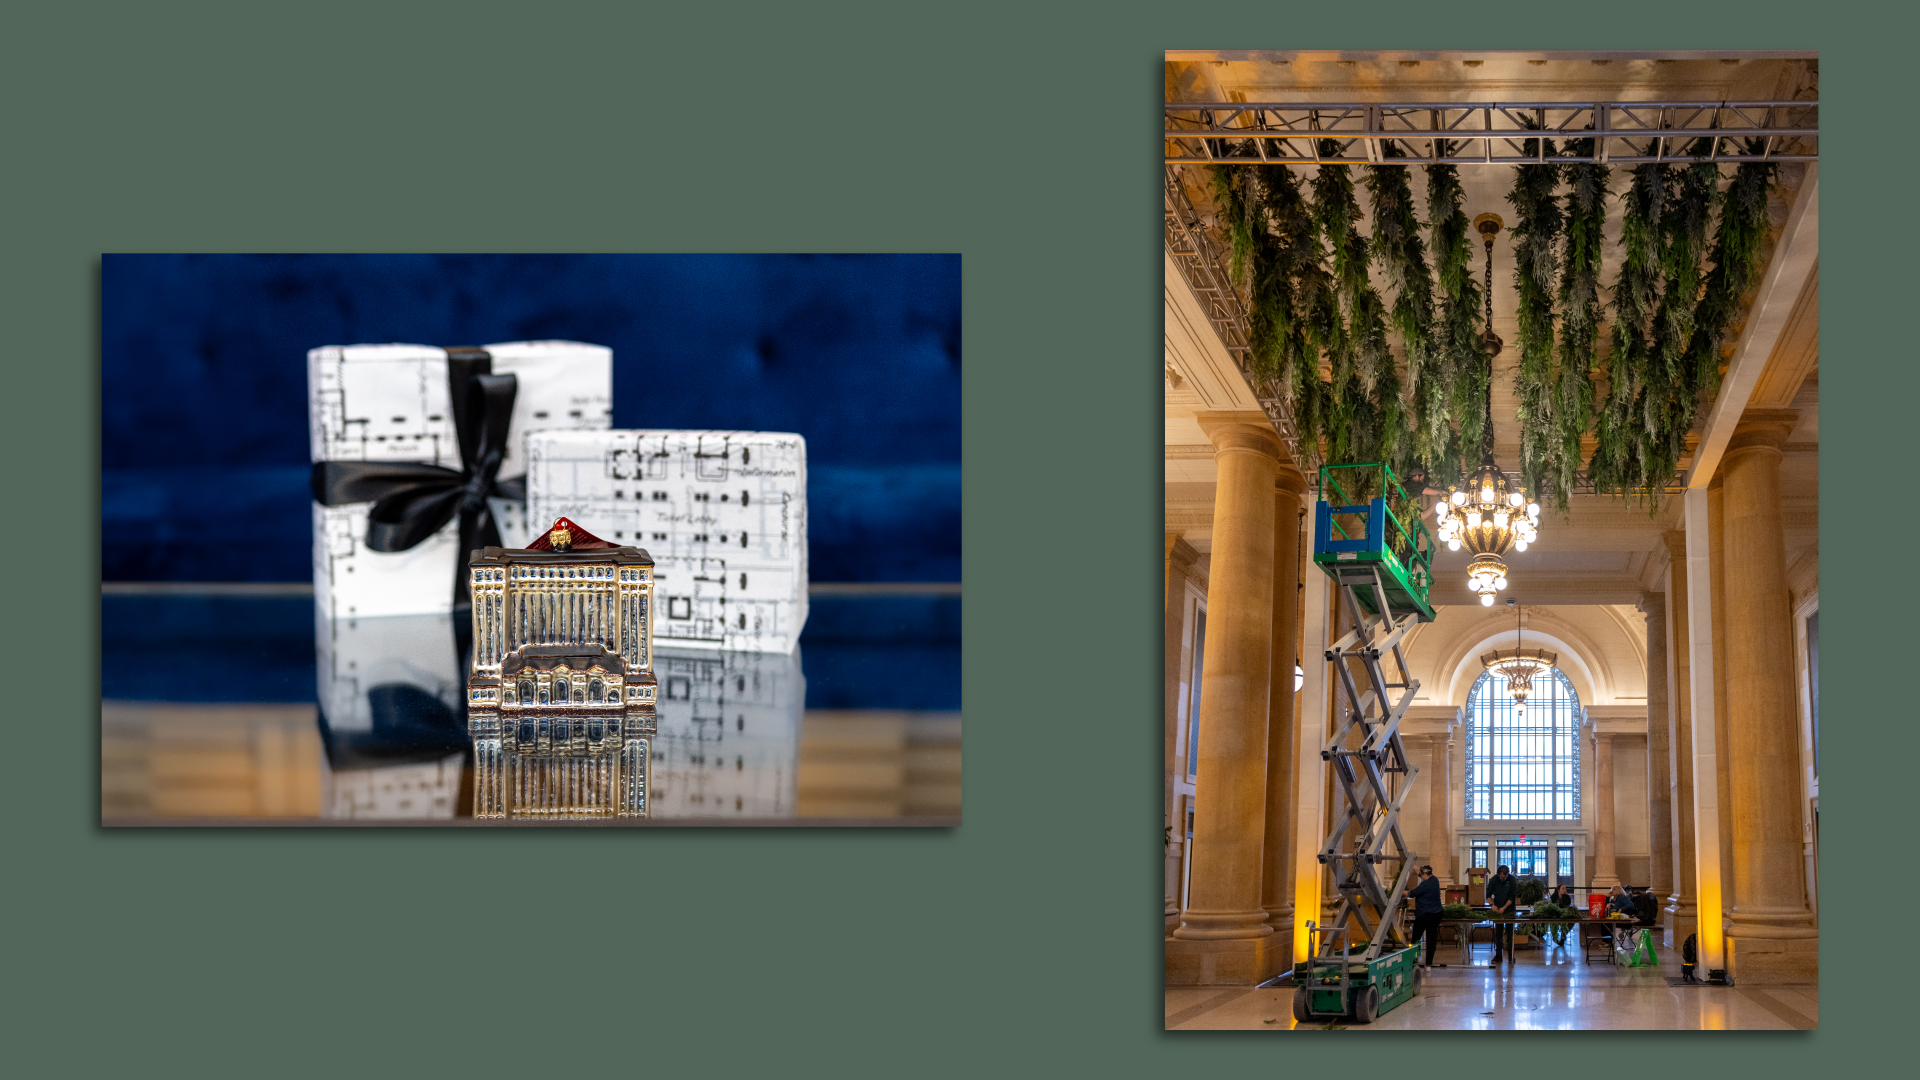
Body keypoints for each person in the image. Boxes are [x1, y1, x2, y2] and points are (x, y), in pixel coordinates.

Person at [1407, 865, 1444, 967]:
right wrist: (1415, 868)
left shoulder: (1424, 885)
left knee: (1415, 939)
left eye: (1420, 875)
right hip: (1436, 914)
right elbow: (1422, 873)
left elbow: (1412, 893)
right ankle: (1428, 964)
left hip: (1424, 915)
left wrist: (1400, 892)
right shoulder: (1435, 879)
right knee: (1431, 940)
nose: (1420, 876)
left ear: (1424, 874)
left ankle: (1412, 962)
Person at [1486, 865, 1517, 963]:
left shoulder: (1512, 880)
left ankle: (1511, 956)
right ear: (1498, 874)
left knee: (1510, 933)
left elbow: (1512, 897)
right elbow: (1488, 895)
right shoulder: (1493, 880)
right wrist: (1492, 905)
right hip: (1497, 910)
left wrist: (1504, 908)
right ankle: (1498, 955)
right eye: (1502, 877)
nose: (1504, 878)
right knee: (1498, 933)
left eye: (1506, 876)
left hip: (1509, 910)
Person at [1545, 883, 1575, 948]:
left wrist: (1564, 896)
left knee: (1571, 922)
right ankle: (1555, 937)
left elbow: (1566, 905)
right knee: (1553, 922)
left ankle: (1563, 934)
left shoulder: (1567, 897)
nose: (1565, 890)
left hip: (1564, 915)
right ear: (1558, 890)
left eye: (1565, 888)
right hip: (1555, 915)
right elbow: (1550, 905)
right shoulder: (1554, 896)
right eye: (1563, 888)